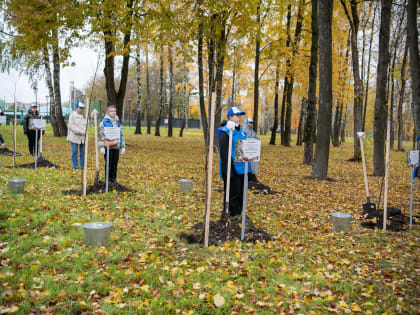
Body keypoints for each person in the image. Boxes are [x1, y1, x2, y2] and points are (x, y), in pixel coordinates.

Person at [217, 106, 248, 219]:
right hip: (231, 168)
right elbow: (224, 154)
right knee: (232, 192)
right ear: (230, 117)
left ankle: (238, 213)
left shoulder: (241, 132)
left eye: (240, 115)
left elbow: (242, 150)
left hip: (241, 167)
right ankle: (230, 213)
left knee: (241, 191)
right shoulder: (225, 132)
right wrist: (227, 171)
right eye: (237, 115)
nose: (239, 118)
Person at [98, 106, 125, 183]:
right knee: (109, 164)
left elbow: (121, 134)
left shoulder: (118, 122)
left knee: (115, 163)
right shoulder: (104, 122)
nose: (113, 112)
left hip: (116, 147)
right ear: (108, 112)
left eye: (114, 111)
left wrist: (122, 146)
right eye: (111, 111)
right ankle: (108, 180)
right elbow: (100, 135)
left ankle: (113, 179)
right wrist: (101, 146)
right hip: (108, 147)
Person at [67, 103, 87, 169]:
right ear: (77, 108)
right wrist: (79, 132)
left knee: (82, 153)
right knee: (74, 152)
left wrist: (84, 132)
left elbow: (87, 125)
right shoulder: (72, 115)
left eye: (82, 108)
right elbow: (71, 126)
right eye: (80, 108)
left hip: (83, 137)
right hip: (74, 137)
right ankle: (75, 166)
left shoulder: (85, 116)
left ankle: (82, 166)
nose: (81, 109)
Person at [242, 117, 259, 181]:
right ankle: (247, 177)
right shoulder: (243, 131)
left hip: (253, 151)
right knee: (247, 165)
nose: (251, 124)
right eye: (250, 122)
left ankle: (252, 176)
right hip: (246, 151)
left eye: (252, 123)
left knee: (253, 164)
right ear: (246, 123)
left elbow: (257, 139)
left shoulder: (252, 131)